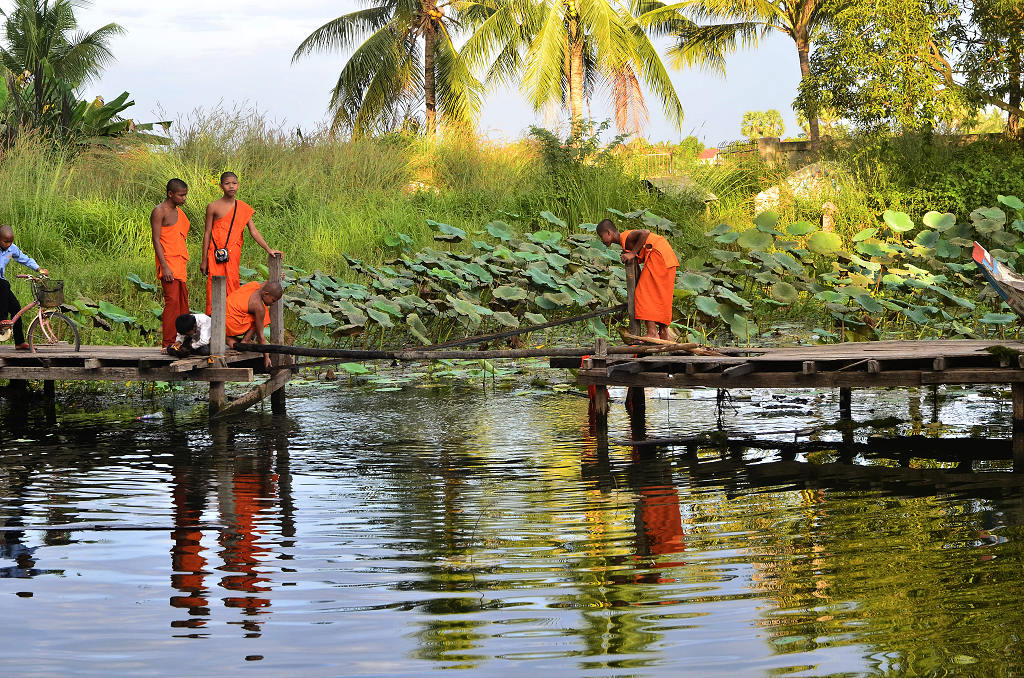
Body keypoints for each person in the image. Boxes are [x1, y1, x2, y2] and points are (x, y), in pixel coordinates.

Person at [201, 172, 282, 315]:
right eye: (227, 183)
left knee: (232, 285)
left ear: (238, 185)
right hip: (215, 254)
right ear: (221, 186)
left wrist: (268, 249)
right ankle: (214, 323)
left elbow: (254, 231)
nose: (231, 186)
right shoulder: (213, 207)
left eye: (234, 183)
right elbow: (207, 233)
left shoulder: (243, 208)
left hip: (233, 254)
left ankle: (231, 321)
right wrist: (204, 261)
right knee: (214, 288)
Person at [596, 218, 679, 340]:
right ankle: (663, 332)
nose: (601, 240)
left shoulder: (626, 236)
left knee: (642, 294)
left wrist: (633, 253)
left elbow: (645, 232)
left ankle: (652, 332)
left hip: (658, 255)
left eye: (601, 236)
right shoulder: (625, 243)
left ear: (609, 232)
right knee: (660, 295)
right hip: (666, 257)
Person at [151, 178, 191, 348]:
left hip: (180, 262)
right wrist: (165, 266)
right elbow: (156, 239)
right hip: (168, 263)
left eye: (185, 195)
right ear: (170, 194)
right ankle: (168, 342)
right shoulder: (159, 211)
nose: (184, 199)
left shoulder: (179, 212)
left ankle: (183, 340)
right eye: (181, 195)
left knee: (182, 304)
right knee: (172, 302)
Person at [0, 224, 49, 350]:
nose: (9, 244)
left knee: (16, 308)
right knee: (5, 285)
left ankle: (19, 342)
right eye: (6, 241)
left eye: (11, 241)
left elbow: (24, 259)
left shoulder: (12, 249)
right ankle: (2, 320)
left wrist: (39, 269)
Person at [224, 280, 282, 369]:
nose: (273, 304)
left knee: (258, 314)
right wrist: (266, 357)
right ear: (266, 294)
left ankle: (228, 338)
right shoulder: (258, 306)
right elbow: (260, 336)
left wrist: (277, 278)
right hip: (230, 323)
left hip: (220, 319)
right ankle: (246, 340)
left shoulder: (253, 285)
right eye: (273, 300)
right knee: (263, 315)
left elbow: (266, 284)